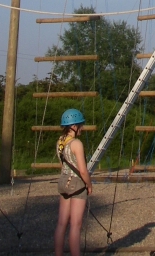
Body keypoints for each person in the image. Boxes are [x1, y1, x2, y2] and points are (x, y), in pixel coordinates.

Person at [54, 109, 92, 256]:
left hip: (63, 182)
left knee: (61, 223)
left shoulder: (60, 141)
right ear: (74, 126)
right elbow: (83, 171)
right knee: (75, 225)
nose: (82, 128)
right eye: (80, 125)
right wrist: (89, 185)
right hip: (76, 184)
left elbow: (62, 165)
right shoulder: (77, 144)